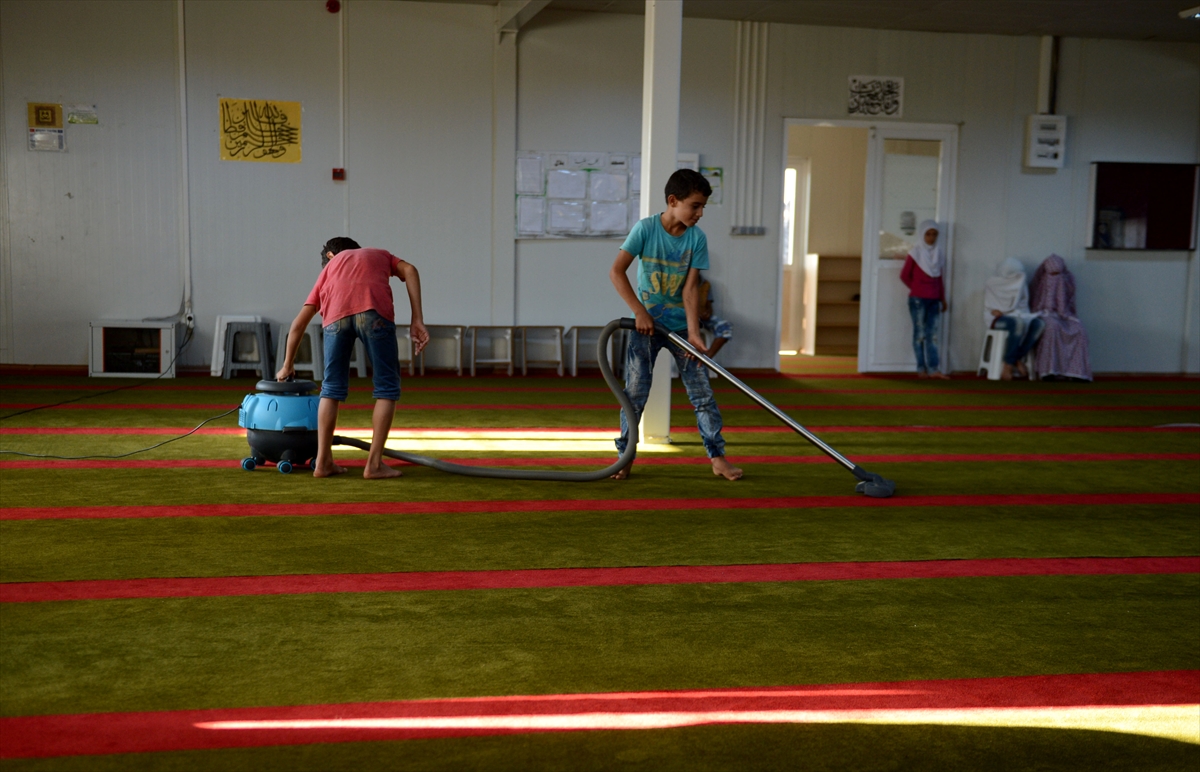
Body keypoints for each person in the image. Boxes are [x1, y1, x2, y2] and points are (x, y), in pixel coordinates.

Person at [609, 169, 742, 481]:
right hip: (645, 328)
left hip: (681, 330)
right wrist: (640, 312)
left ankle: (718, 458)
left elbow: (690, 289)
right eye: (694, 206)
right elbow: (617, 272)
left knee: (702, 394)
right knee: (635, 393)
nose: (699, 213)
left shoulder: (697, 239)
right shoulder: (645, 230)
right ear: (673, 201)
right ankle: (625, 456)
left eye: (703, 207)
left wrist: (695, 334)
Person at [276, 237, 429, 479]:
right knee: (387, 388)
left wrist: (287, 366)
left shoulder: (329, 270)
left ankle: (323, 462)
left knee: (331, 388)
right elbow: (410, 270)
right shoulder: (378, 253)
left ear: (329, 256)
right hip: (374, 314)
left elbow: (298, 325)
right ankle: (374, 464)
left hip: (335, 318)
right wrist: (417, 319)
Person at [1028, 254, 1092, 381]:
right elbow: (1035, 304)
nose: (1056, 279)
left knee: (1079, 329)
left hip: (1065, 315)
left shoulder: (1067, 281)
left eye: (1058, 275)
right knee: (1052, 328)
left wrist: (1066, 315)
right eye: (1052, 275)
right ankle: (1049, 371)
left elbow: (1067, 304)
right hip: (1044, 313)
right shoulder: (1039, 283)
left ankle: (1076, 373)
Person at [900, 220, 950, 379]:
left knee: (932, 335)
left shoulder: (938, 253)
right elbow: (904, 275)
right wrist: (917, 289)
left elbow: (939, 277)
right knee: (919, 334)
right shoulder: (916, 252)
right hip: (918, 300)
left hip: (934, 300)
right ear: (922, 234)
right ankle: (921, 368)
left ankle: (933, 369)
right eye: (928, 234)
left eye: (935, 234)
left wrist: (942, 298)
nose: (931, 238)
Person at [983, 257, 1045, 380]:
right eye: (1013, 273)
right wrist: (995, 310)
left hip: (1017, 315)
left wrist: (1016, 313)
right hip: (997, 319)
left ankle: (1013, 360)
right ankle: (1009, 364)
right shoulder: (992, 283)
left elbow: (1023, 305)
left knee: (1039, 324)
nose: (1017, 276)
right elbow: (990, 306)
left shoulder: (1021, 282)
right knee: (1018, 324)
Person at [697, 272, 733, 359]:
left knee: (725, 327)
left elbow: (709, 306)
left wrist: (707, 313)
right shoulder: (680, 282)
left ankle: (707, 359)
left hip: (702, 318)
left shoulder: (705, 284)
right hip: (685, 317)